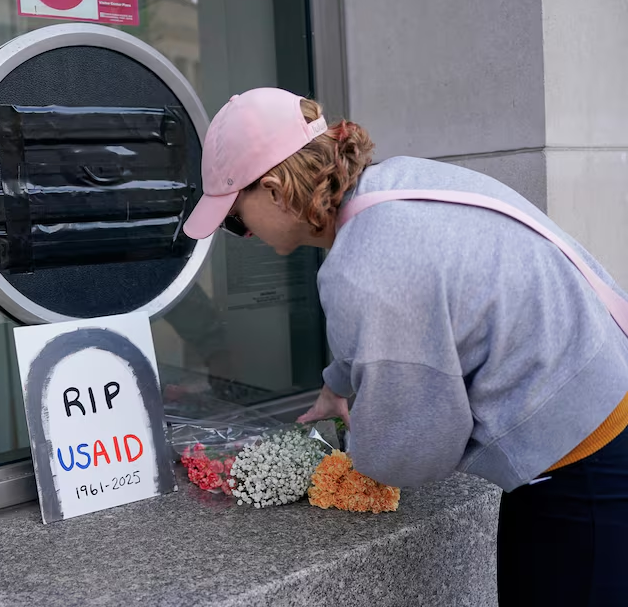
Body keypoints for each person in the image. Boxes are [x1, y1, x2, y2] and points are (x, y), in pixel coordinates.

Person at [182, 87, 628, 605]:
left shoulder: (365, 267)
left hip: (584, 467)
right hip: (596, 403)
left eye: (236, 218)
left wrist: (349, 460)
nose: (245, 234)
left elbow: (414, 450)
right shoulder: (397, 185)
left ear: (277, 189)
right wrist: (338, 386)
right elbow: (413, 317)